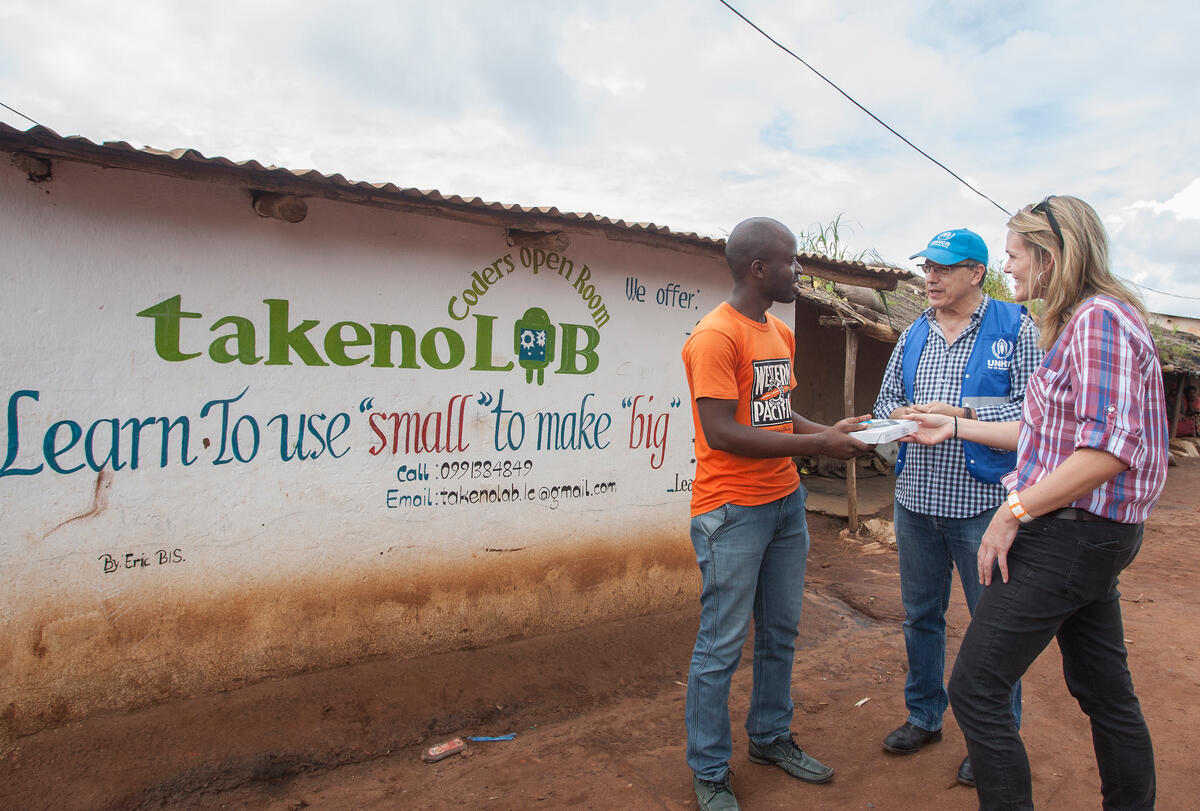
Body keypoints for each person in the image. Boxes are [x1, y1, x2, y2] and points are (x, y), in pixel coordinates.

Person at [908, 195, 1168, 809]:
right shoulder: (1084, 320)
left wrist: (1014, 509)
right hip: (1091, 535)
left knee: (975, 691)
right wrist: (957, 424)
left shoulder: (1098, 321)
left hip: (1069, 534)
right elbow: (1044, 432)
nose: (1011, 269)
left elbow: (1106, 450)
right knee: (1103, 689)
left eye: (1016, 256)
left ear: (1052, 256)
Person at [681, 216, 871, 810]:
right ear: (759, 268)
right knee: (721, 645)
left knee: (781, 633)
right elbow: (723, 432)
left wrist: (829, 430)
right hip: (733, 511)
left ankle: (768, 737)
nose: (801, 271)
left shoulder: (780, 335)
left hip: (784, 504)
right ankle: (710, 770)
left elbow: (776, 416)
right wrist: (820, 448)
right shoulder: (715, 337)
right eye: (793, 261)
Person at [872, 228, 1042, 787]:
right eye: (928, 268)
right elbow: (885, 403)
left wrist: (959, 411)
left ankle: (991, 737)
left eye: (944, 268)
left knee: (990, 626)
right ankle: (924, 716)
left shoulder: (1016, 329)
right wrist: (902, 416)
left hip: (981, 507)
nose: (931, 278)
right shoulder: (914, 333)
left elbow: (1033, 415)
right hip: (916, 502)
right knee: (921, 616)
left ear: (977, 273)